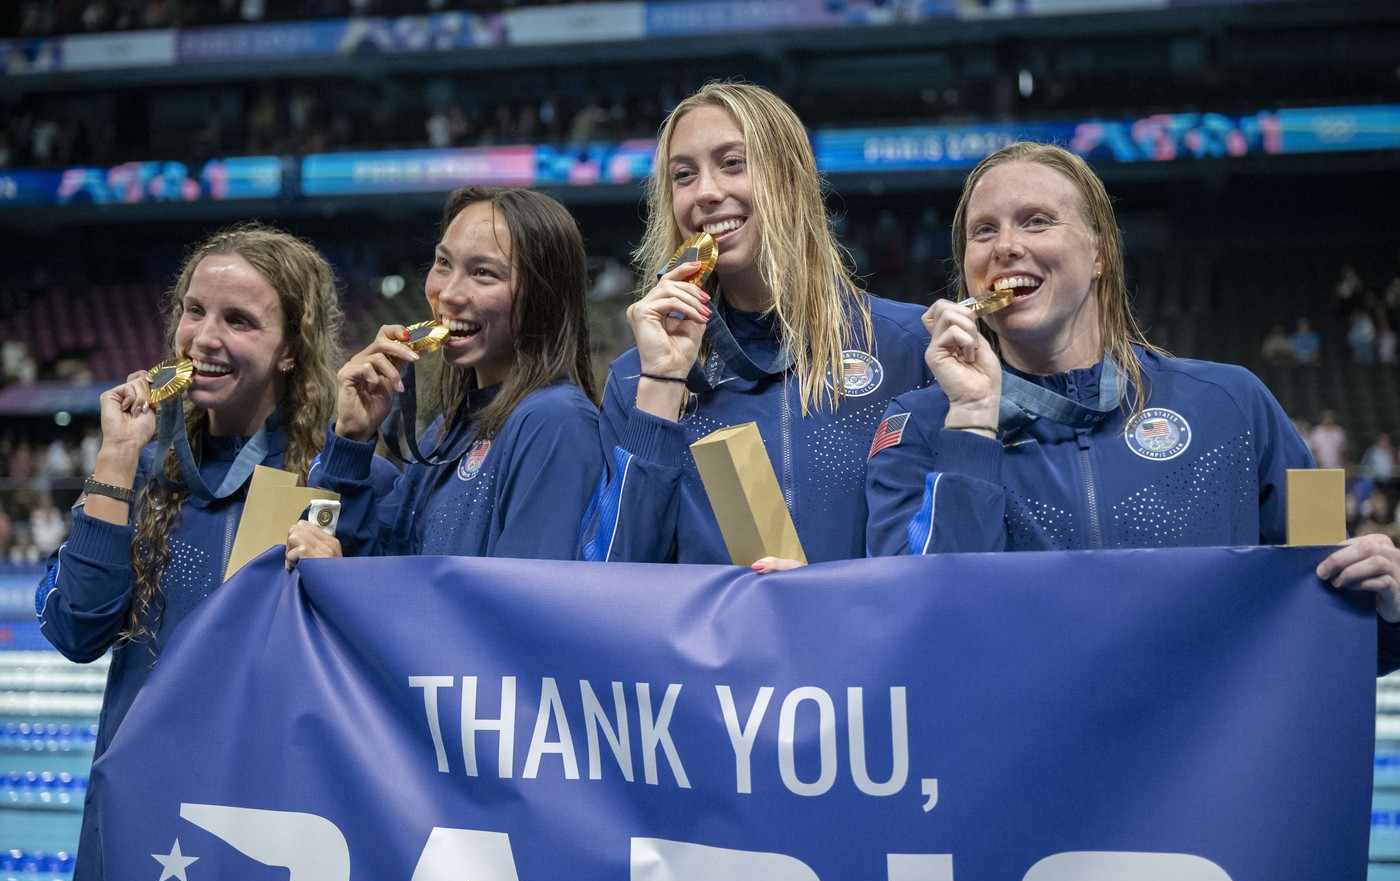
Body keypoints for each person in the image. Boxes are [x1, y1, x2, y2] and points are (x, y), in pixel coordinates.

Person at [864, 142, 1400, 664]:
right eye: (984, 230)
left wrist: (1391, 612)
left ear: (1100, 253)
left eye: (1037, 221)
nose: (1005, 245)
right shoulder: (919, 427)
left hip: (1205, 756)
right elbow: (919, 636)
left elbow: (1333, 613)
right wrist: (973, 423)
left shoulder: (1237, 404)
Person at [34, 222, 345, 881]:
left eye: (238, 319)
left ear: (291, 349)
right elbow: (75, 628)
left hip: (265, 823)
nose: (204, 336)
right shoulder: (141, 469)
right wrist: (114, 459)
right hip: (145, 815)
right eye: (194, 310)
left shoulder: (339, 482)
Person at [580, 80, 930, 569]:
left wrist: (830, 596)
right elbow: (612, 576)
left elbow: (943, 565)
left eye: (732, 163)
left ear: (791, 177)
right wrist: (661, 388)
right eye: (683, 175)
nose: (706, 192)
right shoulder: (637, 379)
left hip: (860, 643)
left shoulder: (910, 347)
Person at [285, 185, 601, 562]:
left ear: (544, 297)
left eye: (483, 273)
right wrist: (352, 438)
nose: (448, 294)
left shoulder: (555, 421)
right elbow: (378, 564)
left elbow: (519, 608)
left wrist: (348, 590)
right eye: (443, 263)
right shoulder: (444, 432)